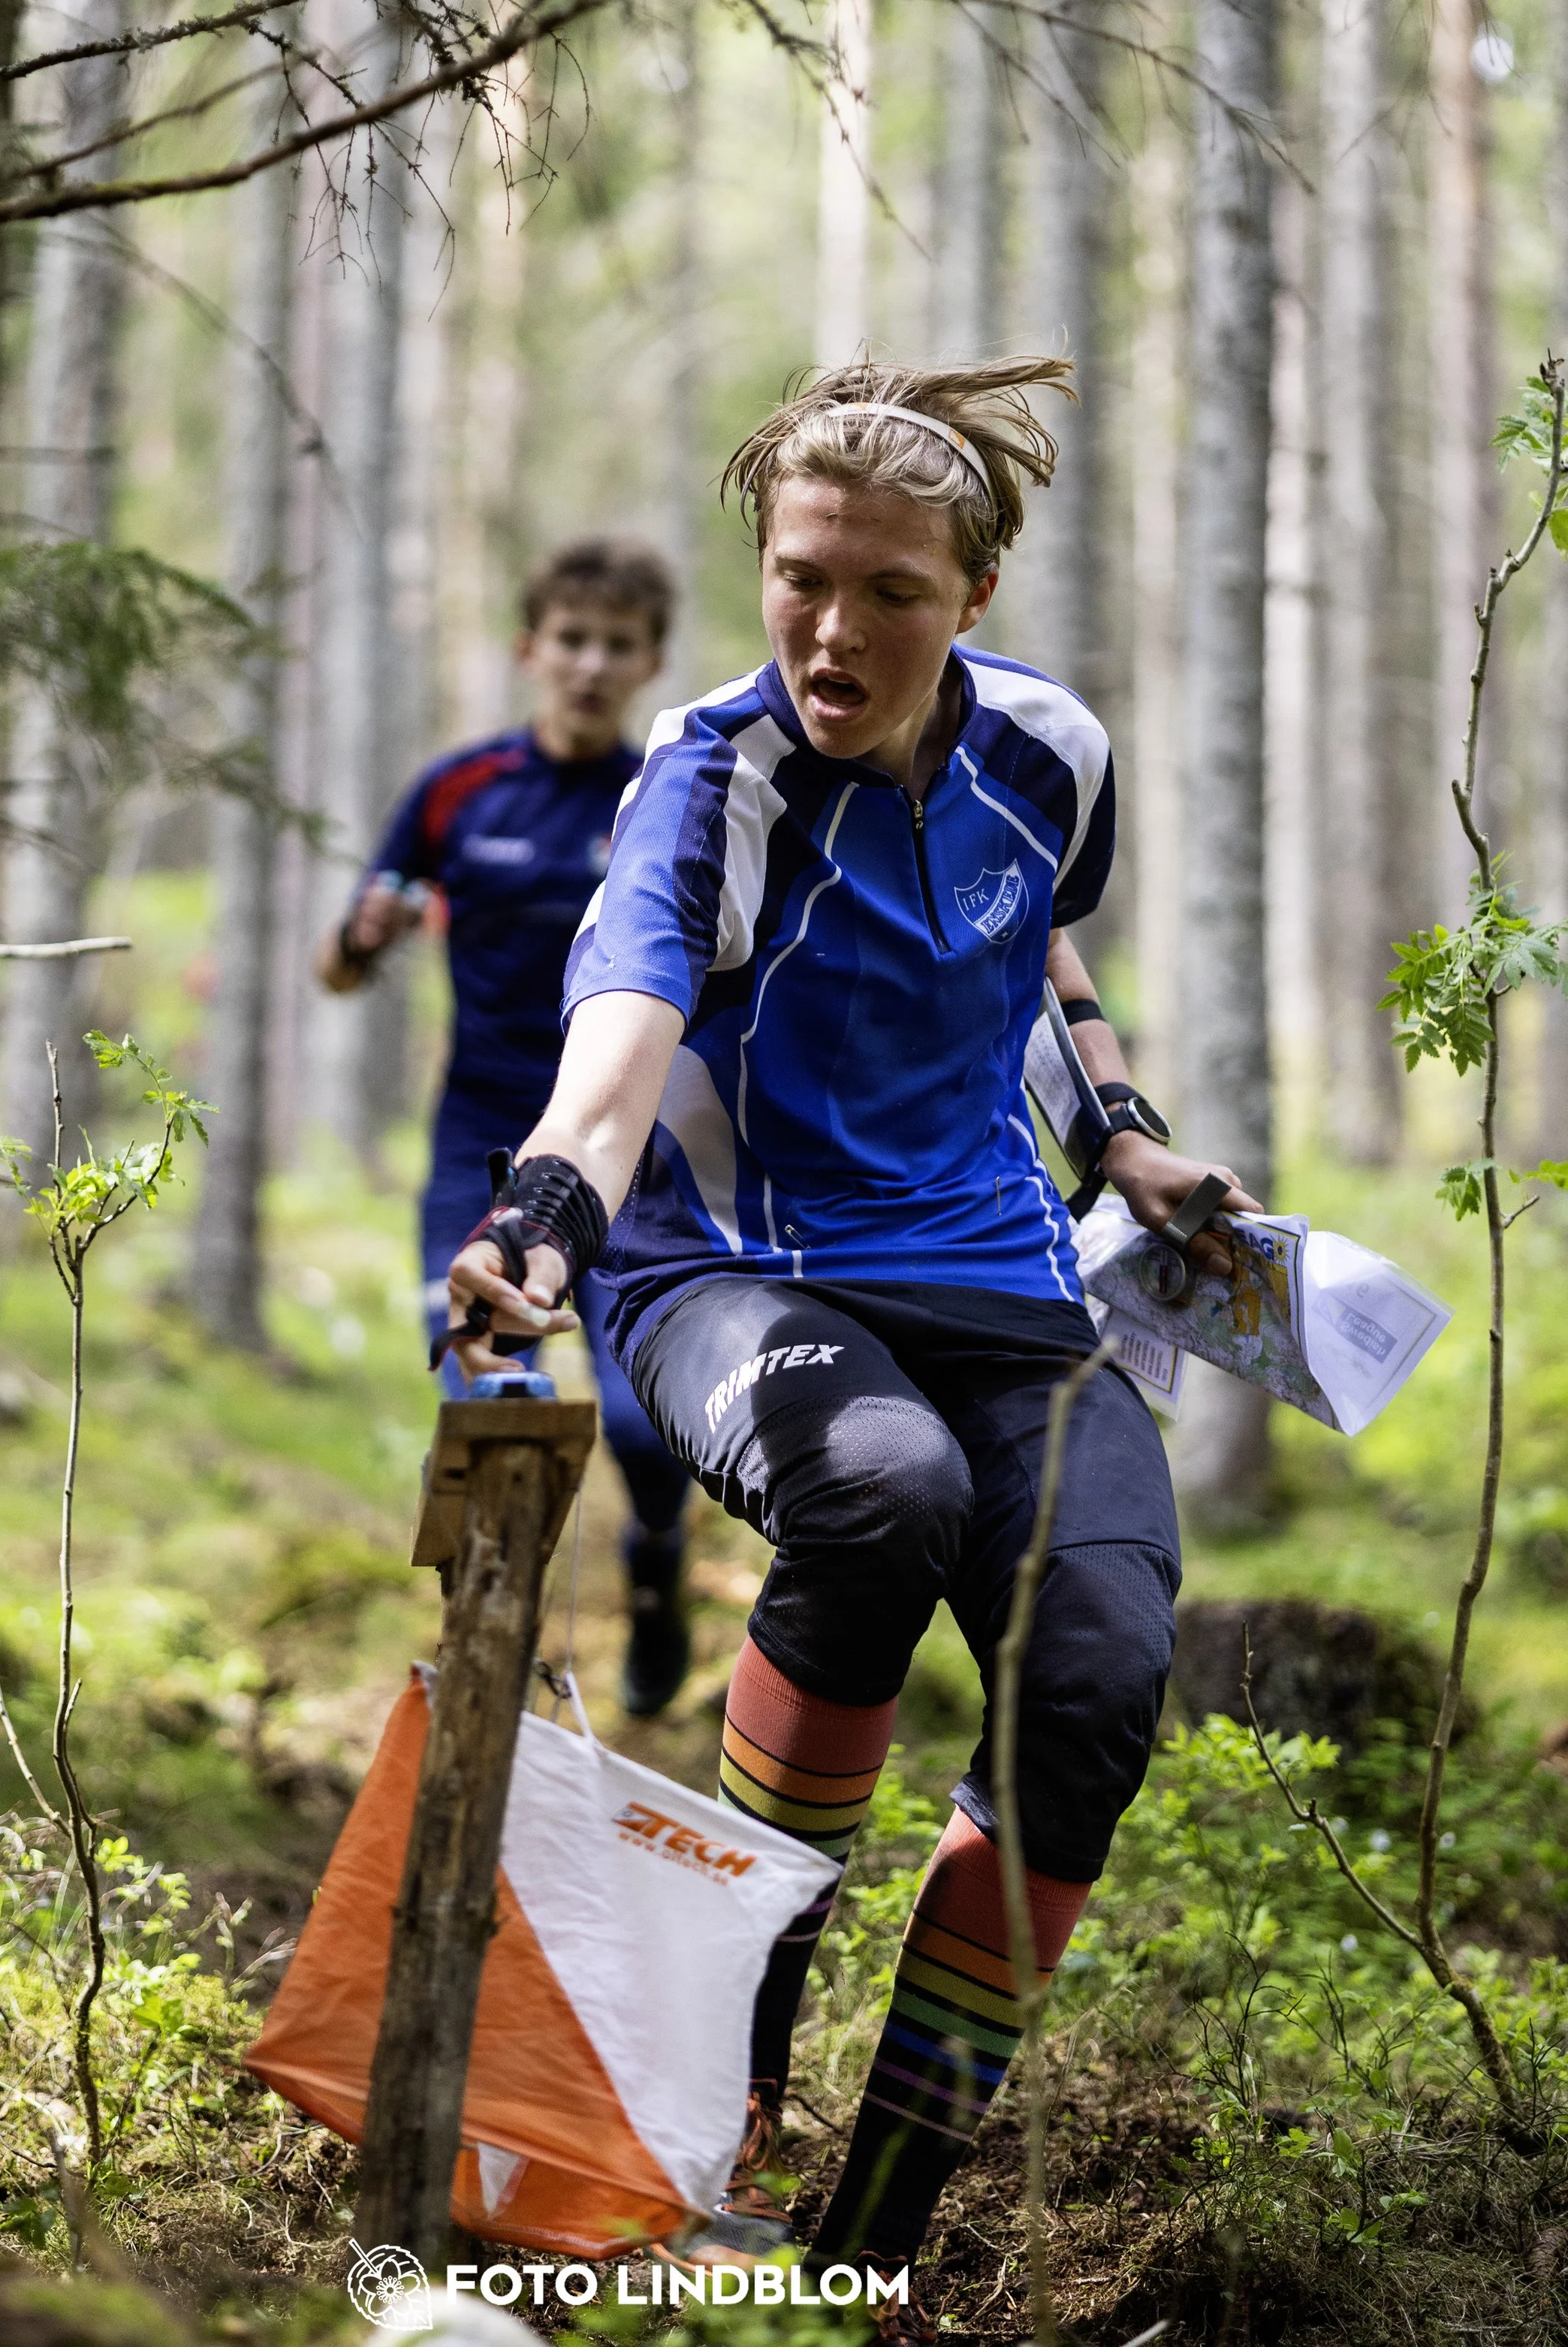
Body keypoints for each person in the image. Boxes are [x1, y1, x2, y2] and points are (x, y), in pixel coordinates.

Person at [435, 361, 1261, 2335]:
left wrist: (1122, 1134)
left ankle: (865, 2235)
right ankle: (718, 2095)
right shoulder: (704, 779)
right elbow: (619, 1041)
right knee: (874, 1492)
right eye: (801, 578)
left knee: (1090, 1678)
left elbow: (1039, 951)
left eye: (888, 590)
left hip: (1000, 1285)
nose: (832, 628)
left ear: (968, 596)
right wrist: (540, 1221)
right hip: (725, 1273)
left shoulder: (1051, 747)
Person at [318, 538, 699, 1716]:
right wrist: (368, 937)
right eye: (571, 641)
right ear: (531, 649)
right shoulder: (456, 791)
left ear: (649, 663)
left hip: (622, 1153)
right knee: (492, 1396)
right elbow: (337, 966)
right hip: (481, 1145)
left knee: (645, 1428)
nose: (590, 666)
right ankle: (489, 1662)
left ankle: (658, 1566)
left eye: (617, 646)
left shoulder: (663, 800)